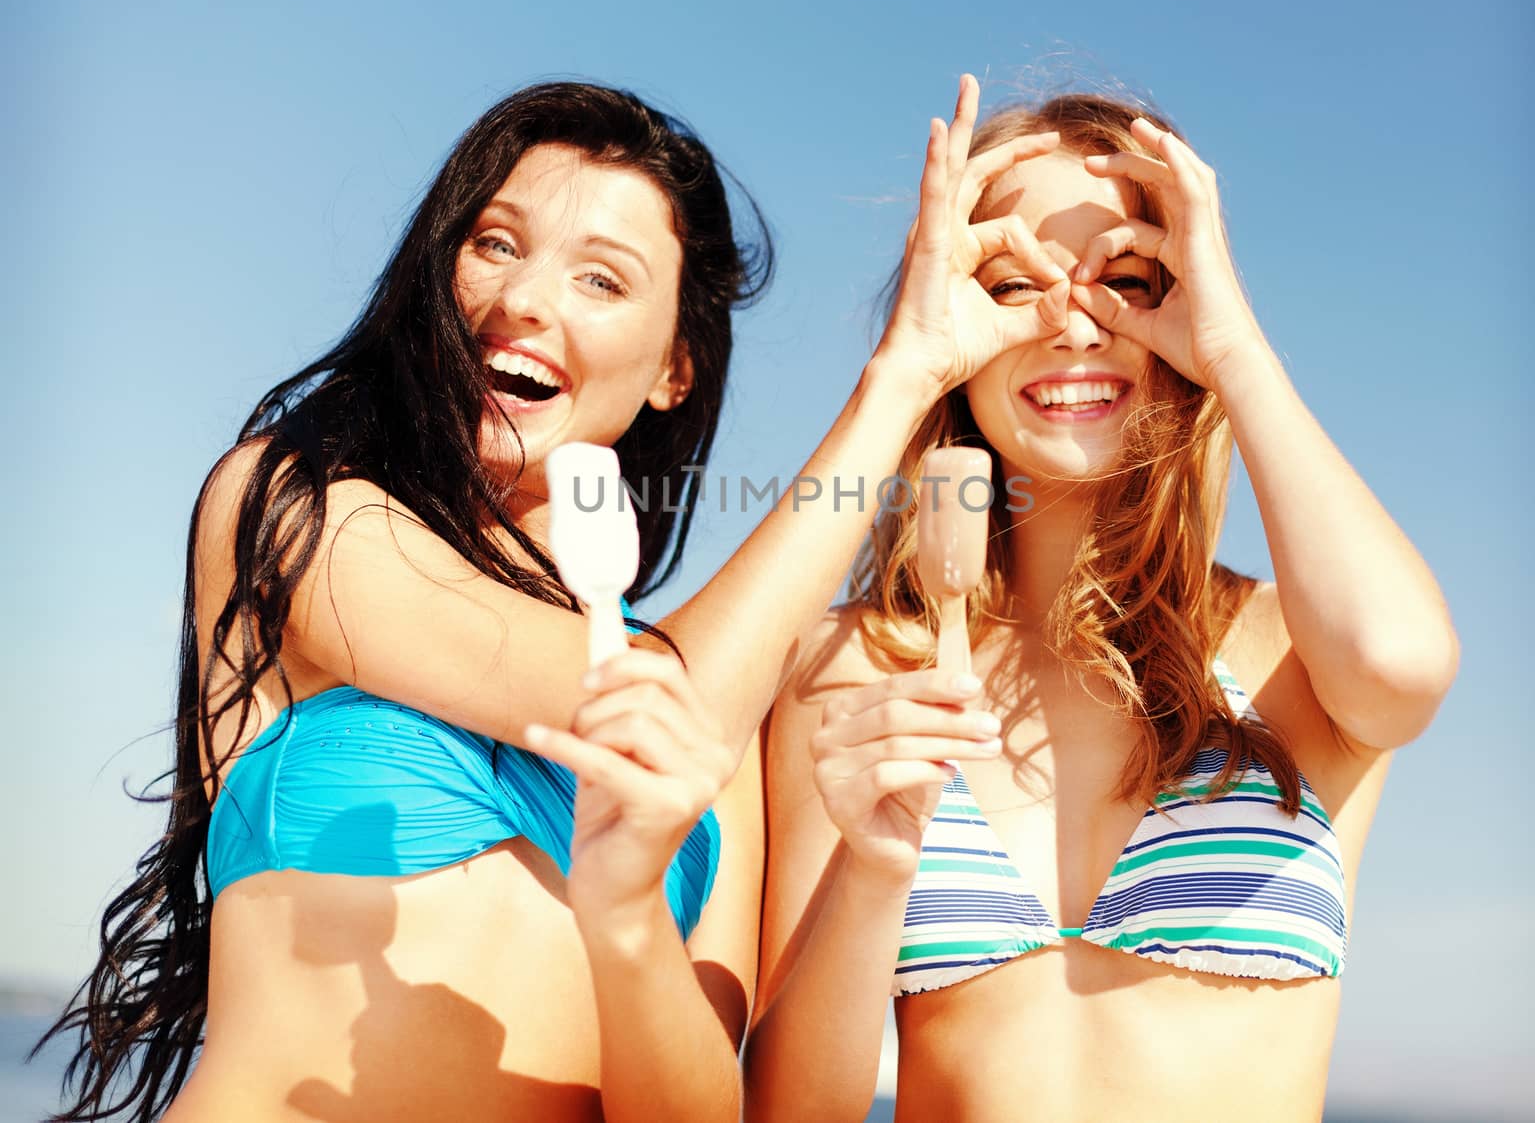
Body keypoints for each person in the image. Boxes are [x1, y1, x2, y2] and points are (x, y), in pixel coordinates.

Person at [39, 76, 1072, 1123]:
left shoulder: (725, 723)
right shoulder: (295, 512)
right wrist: (898, 383)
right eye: (494, 243)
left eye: (601, 279)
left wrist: (628, 926)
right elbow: (653, 712)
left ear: (675, 368)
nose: (526, 299)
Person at [749, 91, 1461, 1122]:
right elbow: (787, 1112)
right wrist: (868, 876)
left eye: (1127, 282)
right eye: (1009, 284)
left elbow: (1400, 665)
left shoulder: (1287, 649)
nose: (1073, 319)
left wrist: (1236, 351)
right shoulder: (852, 667)